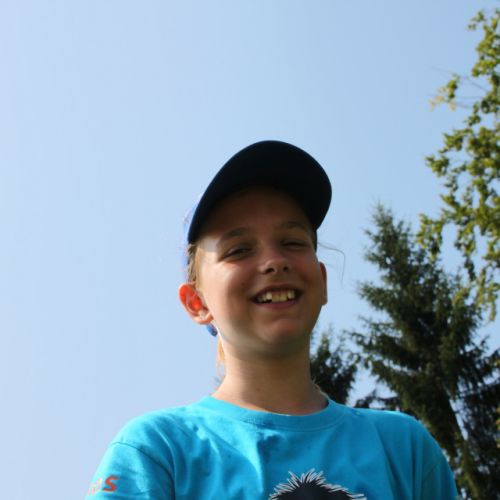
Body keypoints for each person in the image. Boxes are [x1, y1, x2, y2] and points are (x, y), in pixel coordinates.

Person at [86, 140, 458, 499]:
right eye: (239, 250)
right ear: (197, 303)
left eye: (293, 242)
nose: (275, 261)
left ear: (322, 281)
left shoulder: (404, 449)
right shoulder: (156, 452)